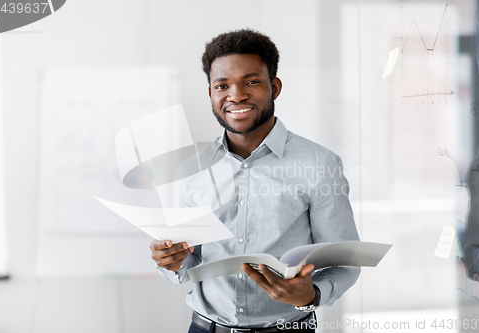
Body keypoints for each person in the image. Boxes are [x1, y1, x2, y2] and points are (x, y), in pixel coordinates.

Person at [150, 29, 360, 333]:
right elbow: (186, 268)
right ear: (210, 93)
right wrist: (170, 262)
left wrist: (311, 295)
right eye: (222, 85)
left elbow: (345, 261)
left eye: (251, 82)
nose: (236, 95)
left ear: (274, 87)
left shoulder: (319, 164)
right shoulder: (191, 169)